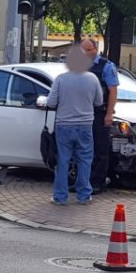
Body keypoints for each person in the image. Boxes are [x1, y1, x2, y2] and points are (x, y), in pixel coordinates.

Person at [45, 44, 104, 205]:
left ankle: (60, 197)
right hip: (85, 125)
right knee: (85, 160)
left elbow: (50, 102)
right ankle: (84, 195)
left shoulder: (61, 79)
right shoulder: (92, 79)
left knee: (63, 161)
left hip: (64, 125)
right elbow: (99, 102)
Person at [80, 39, 119, 191]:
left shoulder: (106, 66)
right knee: (82, 149)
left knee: (100, 149)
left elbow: (113, 92)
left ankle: (98, 182)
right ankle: (82, 182)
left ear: (95, 49)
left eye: (88, 50)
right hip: (82, 112)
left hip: (99, 112)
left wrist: (109, 113)